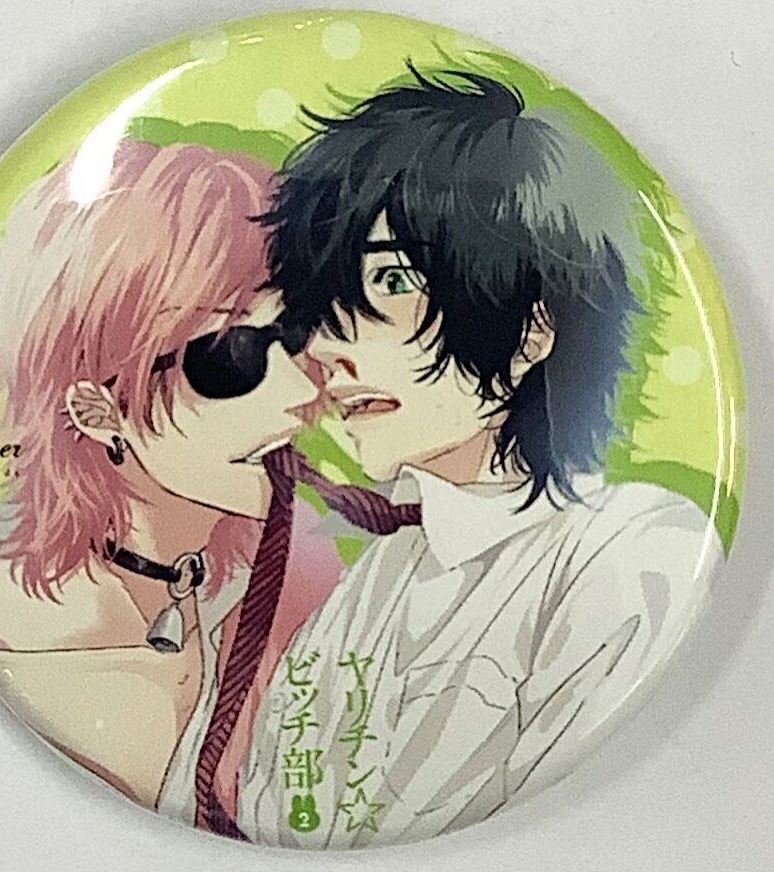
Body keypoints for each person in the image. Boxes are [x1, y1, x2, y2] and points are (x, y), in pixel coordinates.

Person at [221, 68, 725, 847]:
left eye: (391, 281)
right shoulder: (375, 583)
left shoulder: (635, 554)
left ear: (532, 328)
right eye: (322, 306)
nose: (324, 348)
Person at [0, 138, 346, 812]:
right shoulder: (3, 633)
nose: (302, 391)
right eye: (230, 357)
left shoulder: (278, 577)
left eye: (295, 334)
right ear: (95, 410)